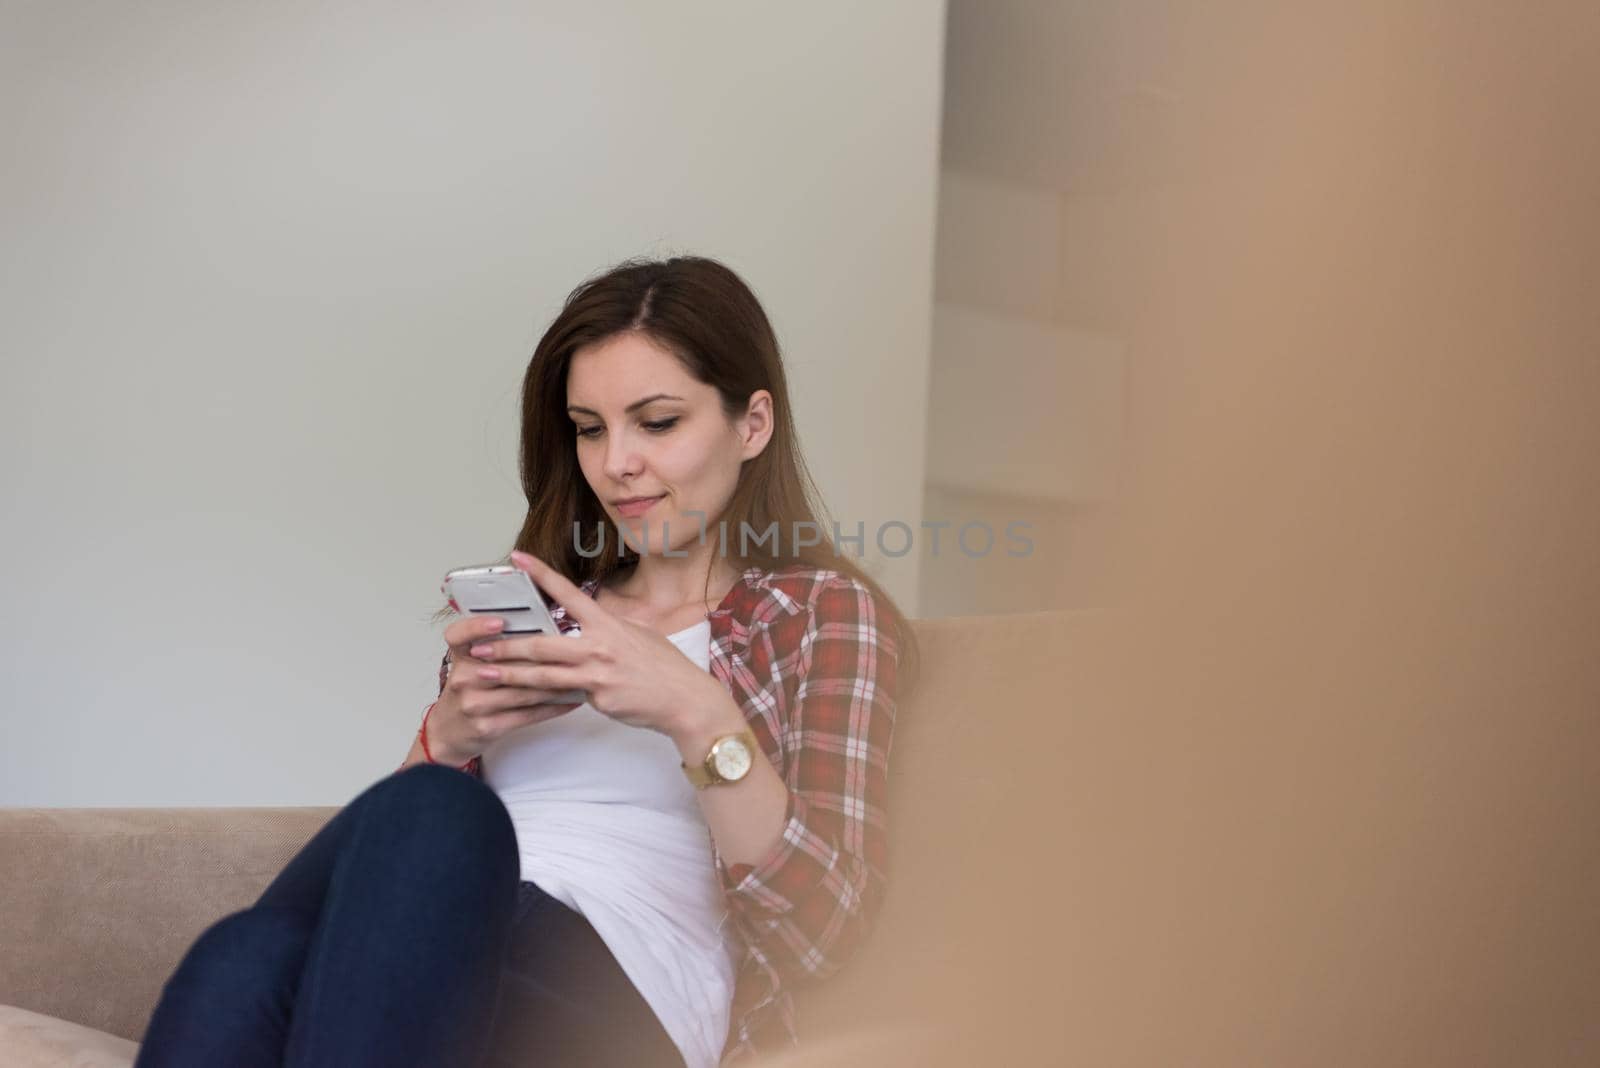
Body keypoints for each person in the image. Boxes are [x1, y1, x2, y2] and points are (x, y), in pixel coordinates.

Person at [133, 254, 920, 1068]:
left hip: (620, 1002)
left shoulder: (817, 612)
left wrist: (697, 712)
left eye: (656, 422)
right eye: (589, 428)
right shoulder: (533, 616)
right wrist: (445, 739)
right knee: (245, 955)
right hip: (447, 965)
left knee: (440, 820)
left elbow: (825, 931)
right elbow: (385, 882)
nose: (616, 463)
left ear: (751, 424)